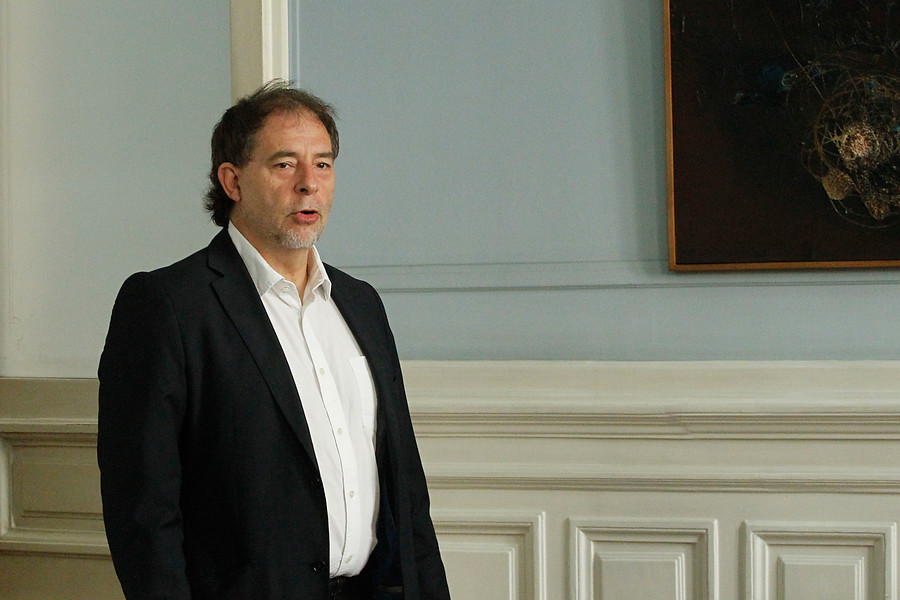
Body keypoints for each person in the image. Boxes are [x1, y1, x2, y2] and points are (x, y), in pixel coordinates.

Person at [97, 80, 451, 600]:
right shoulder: (167, 306)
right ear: (233, 181)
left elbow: (408, 494)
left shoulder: (361, 304)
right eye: (285, 164)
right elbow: (143, 513)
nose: (309, 183)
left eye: (323, 164)